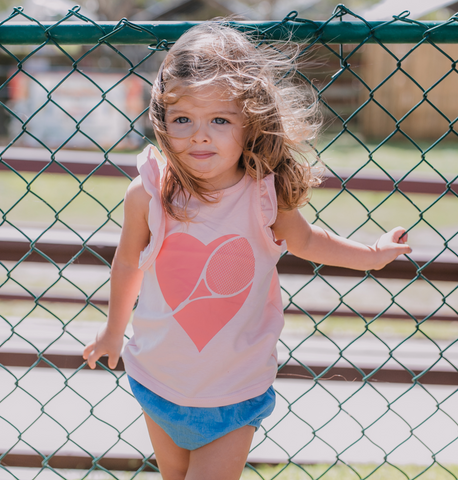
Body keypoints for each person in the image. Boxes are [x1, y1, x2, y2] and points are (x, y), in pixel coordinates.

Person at [83, 21, 412, 480]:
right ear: (161, 119)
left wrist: (371, 254)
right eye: (183, 119)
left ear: (251, 121)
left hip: (233, 394)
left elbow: (310, 242)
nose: (199, 135)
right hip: (158, 381)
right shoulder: (149, 194)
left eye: (219, 119)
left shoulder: (263, 195)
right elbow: (126, 265)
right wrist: (113, 331)